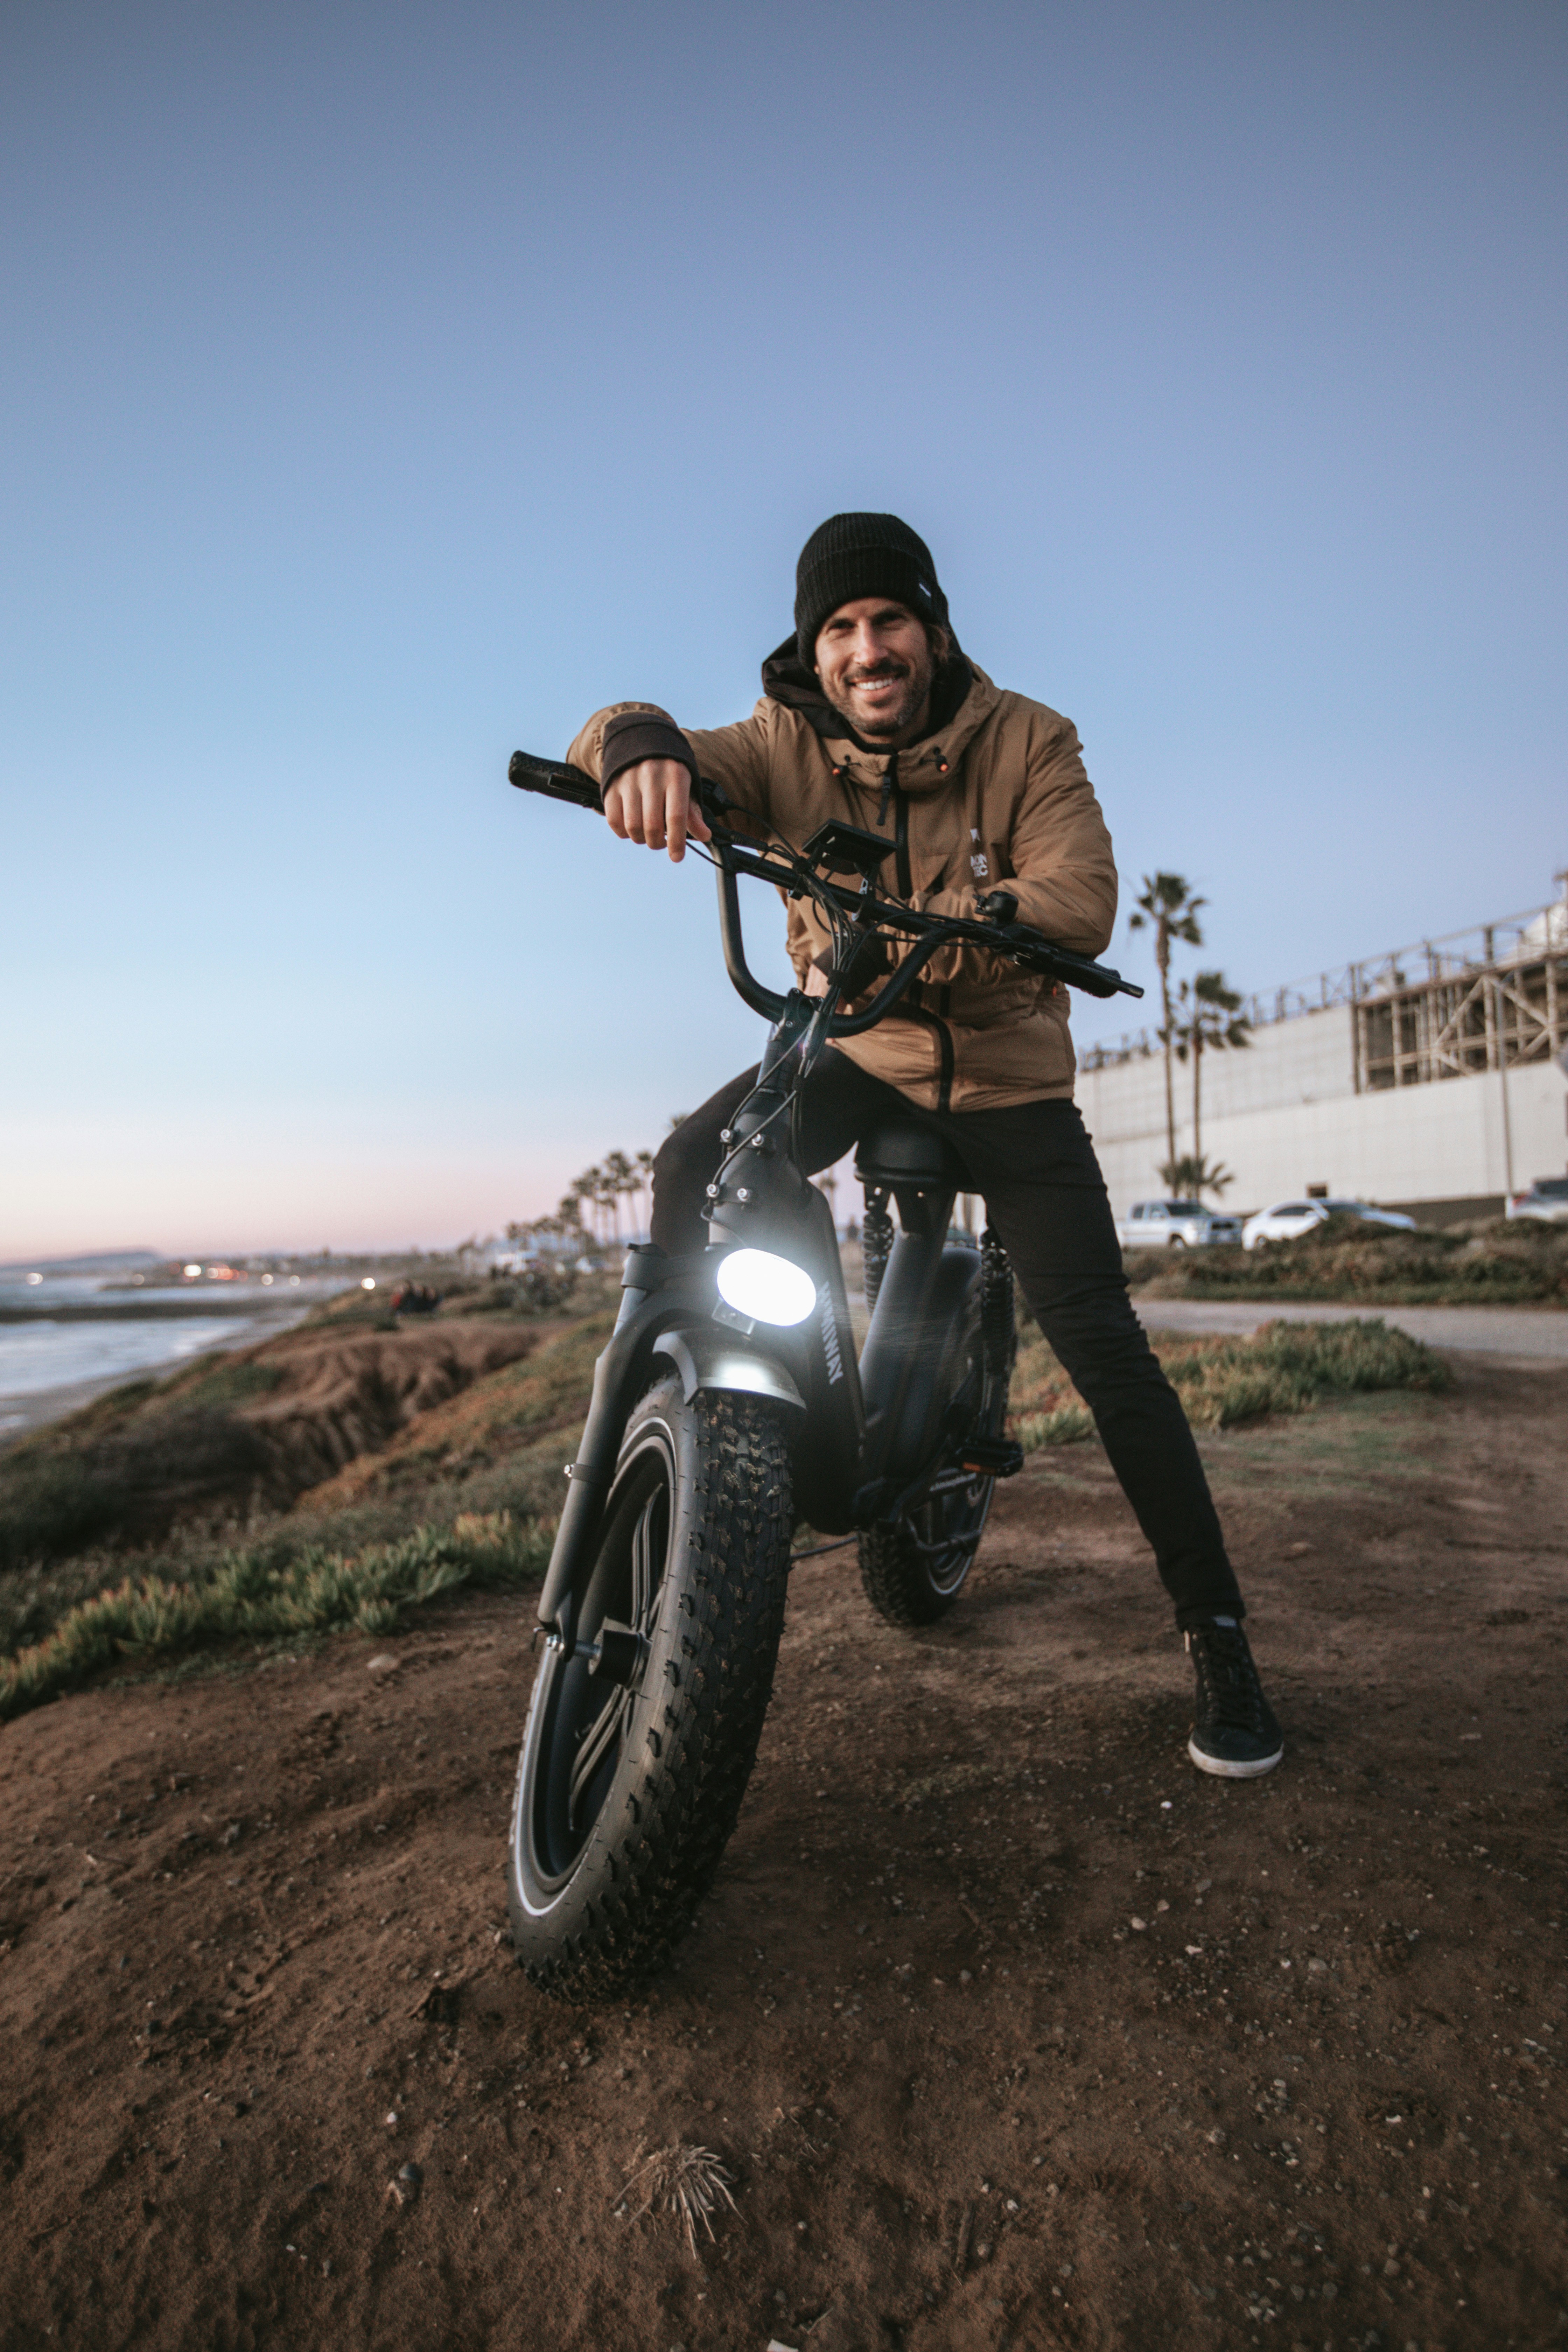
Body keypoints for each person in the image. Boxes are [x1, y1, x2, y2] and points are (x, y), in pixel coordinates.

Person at [565, 511, 1282, 1778]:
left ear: (934, 630)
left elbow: (1079, 892)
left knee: (1110, 1355)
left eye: (888, 620)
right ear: (814, 651)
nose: (865, 648)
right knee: (694, 1165)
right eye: (837, 630)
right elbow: (650, 730)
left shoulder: (1028, 740)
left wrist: (945, 920)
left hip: (1007, 1082)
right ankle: (697, 1442)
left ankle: (1217, 1633)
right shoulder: (783, 743)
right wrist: (636, 754)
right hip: (859, 1052)